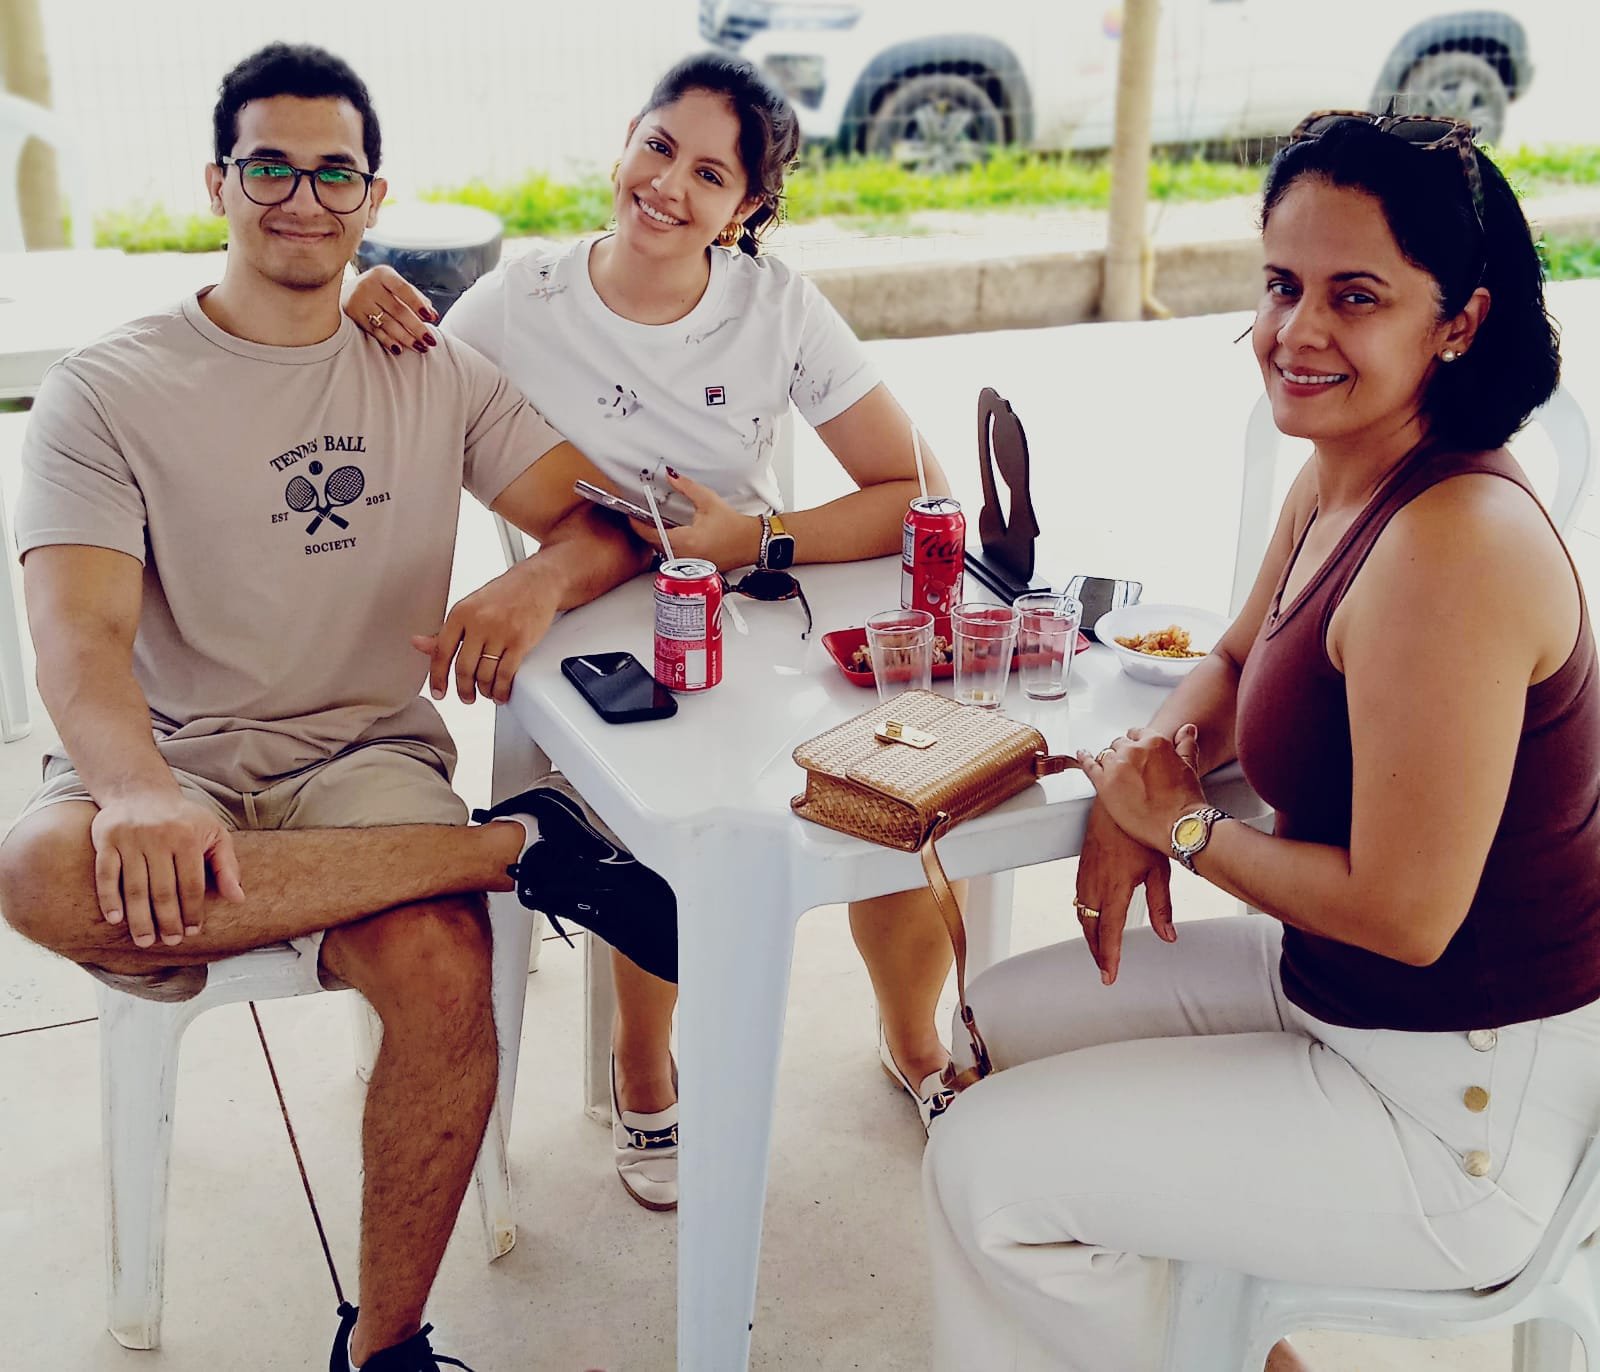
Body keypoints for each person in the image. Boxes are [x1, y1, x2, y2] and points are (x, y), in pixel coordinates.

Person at [0, 43, 669, 1372]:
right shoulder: (108, 388)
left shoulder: (430, 367)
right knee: (36, 870)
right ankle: (519, 849)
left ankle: (387, 1348)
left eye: (333, 174)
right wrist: (135, 791)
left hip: (362, 754)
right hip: (173, 749)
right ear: (216, 182)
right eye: (269, 169)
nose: (301, 200)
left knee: (440, 967)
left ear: (374, 194)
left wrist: (532, 581)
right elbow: (77, 640)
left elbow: (612, 524)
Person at [922, 113, 1600, 1372]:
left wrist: (1180, 826)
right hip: (1337, 997)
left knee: (983, 1169)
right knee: (994, 1019)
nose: (1297, 331)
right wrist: (1142, 781)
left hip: (1456, 1105)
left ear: (1457, 320)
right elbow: (1231, 663)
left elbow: (1405, 915)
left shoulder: (1454, 546)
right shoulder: (1343, 472)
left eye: (1356, 296)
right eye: (1282, 284)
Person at [344, 52, 959, 1211]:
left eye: (711, 174)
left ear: (748, 207)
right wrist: (356, 301)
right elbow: (385, 392)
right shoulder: (520, 302)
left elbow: (916, 492)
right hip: (587, 637)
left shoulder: (776, 307)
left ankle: (916, 1039)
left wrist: (753, 537)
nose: (669, 185)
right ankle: (641, 1065)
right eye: (660, 146)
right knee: (672, 822)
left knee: (903, 776)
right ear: (626, 138)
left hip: (749, 616)